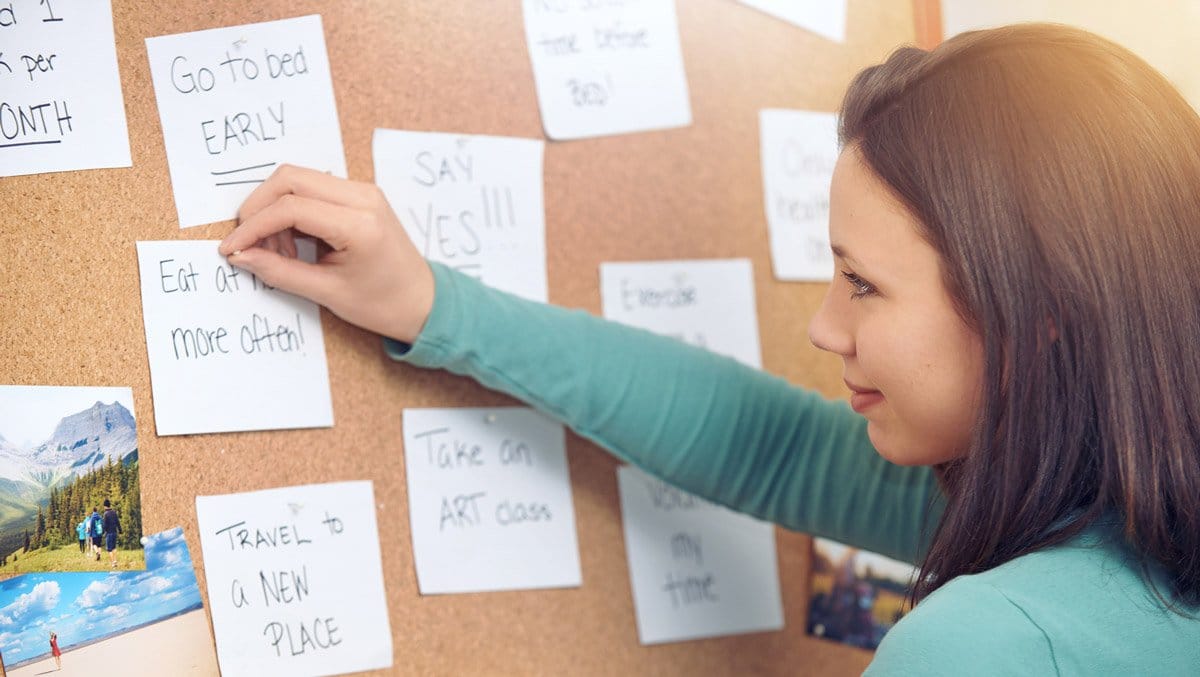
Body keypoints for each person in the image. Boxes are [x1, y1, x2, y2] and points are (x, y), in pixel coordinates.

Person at [216, 24, 1200, 674]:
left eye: (863, 282)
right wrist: (432, 303)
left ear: (1039, 315)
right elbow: (758, 443)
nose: (825, 324)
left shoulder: (988, 644)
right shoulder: (1124, 521)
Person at [102, 499, 121, 569]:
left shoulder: (105, 514)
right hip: (114, 532)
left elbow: (105, 525)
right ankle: (115, 560)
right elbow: (118, 522)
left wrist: (104, 532)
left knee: (109, 549)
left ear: (105, 506)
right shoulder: (114, 512)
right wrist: (120, 531)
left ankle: (113, 563)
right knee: (114, 547)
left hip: (109, 533)